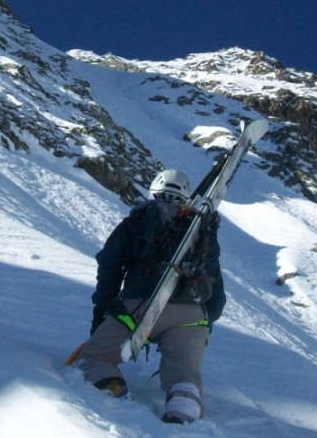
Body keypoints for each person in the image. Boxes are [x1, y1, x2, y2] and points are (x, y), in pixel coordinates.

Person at [79, 168, 226, 423]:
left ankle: (116, 392)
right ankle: (183, 412)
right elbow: (217, 295)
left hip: (136, 310)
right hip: (191, 316)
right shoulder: (200, 231)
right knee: (184, 375)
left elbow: (110, 267)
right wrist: (203, 326)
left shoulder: (138, 221)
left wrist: (103, 312)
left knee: (95, 357)